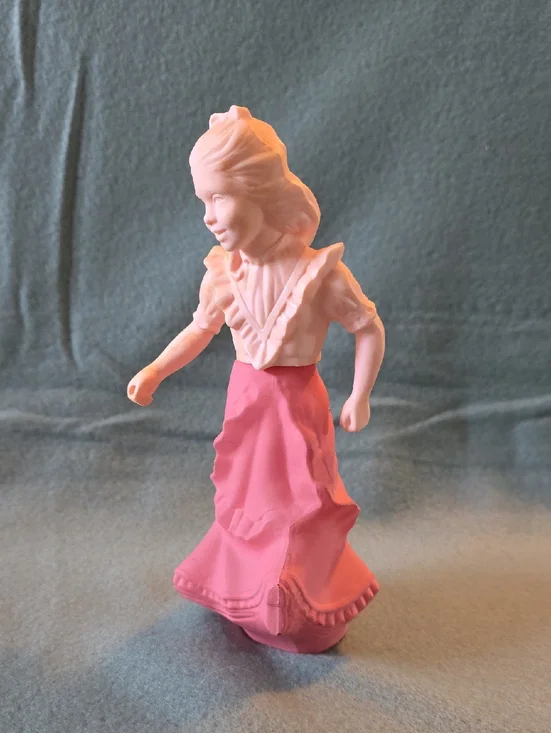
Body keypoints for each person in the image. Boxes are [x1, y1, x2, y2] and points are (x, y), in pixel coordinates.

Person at [127, 105, 385, 653]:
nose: (208, 216)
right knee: (247, 504)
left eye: (219, 198)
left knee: (302, 504)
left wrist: (359, 395)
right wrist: (155, 370)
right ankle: (251, 594)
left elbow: (368, 327)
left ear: (262, 191)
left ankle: (305, 600)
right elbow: (199, 330)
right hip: (246, 405)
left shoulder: (320, 273)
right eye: (202, 201)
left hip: (297, 406)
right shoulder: (222, 275)